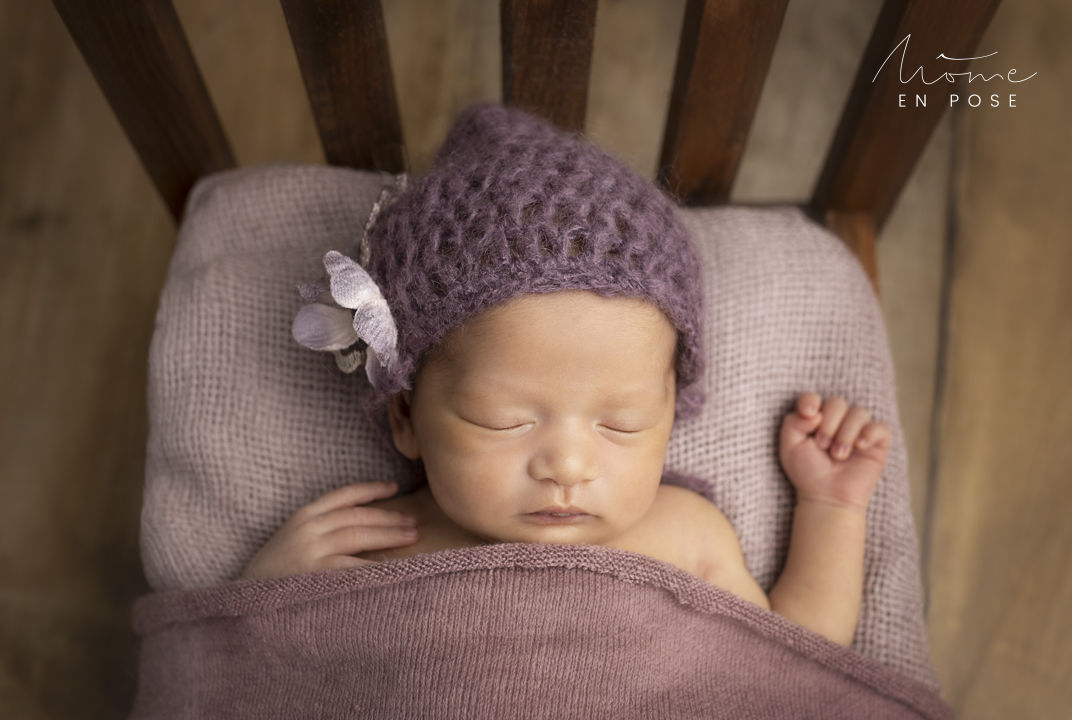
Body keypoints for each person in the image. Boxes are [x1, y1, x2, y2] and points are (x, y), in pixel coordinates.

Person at [241, 104, 890, 648]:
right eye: (505, 420)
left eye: (622, 424)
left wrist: (831, 509)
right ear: (405, 414)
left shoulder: (685, 533)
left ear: (671, 412)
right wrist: (262, 597)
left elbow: (802, 665)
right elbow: (256, 681)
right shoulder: (374, 546)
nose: (568, 466)